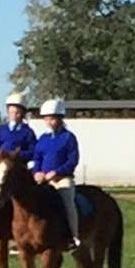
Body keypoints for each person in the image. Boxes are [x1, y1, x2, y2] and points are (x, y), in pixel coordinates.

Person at [32, 99, 81, 251]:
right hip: (44, 181)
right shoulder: (42, 139)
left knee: (68, 203)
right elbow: (37, 158)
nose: (49, 122)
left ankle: (73, 237)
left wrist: (57, 172)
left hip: (62, 180)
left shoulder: (68, 138)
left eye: (52, 118)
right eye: (46, 118)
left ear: (60, 119)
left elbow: (73, 160)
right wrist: (36, 172)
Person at [0, 93, 37, 165]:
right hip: (0, 161)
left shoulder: (28, 132)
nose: (14, 115)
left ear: (23, 114)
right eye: (11, 112)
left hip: (18, 164)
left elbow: (32, 151)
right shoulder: (2, 129)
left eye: (17, 113)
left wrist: (17, 155)